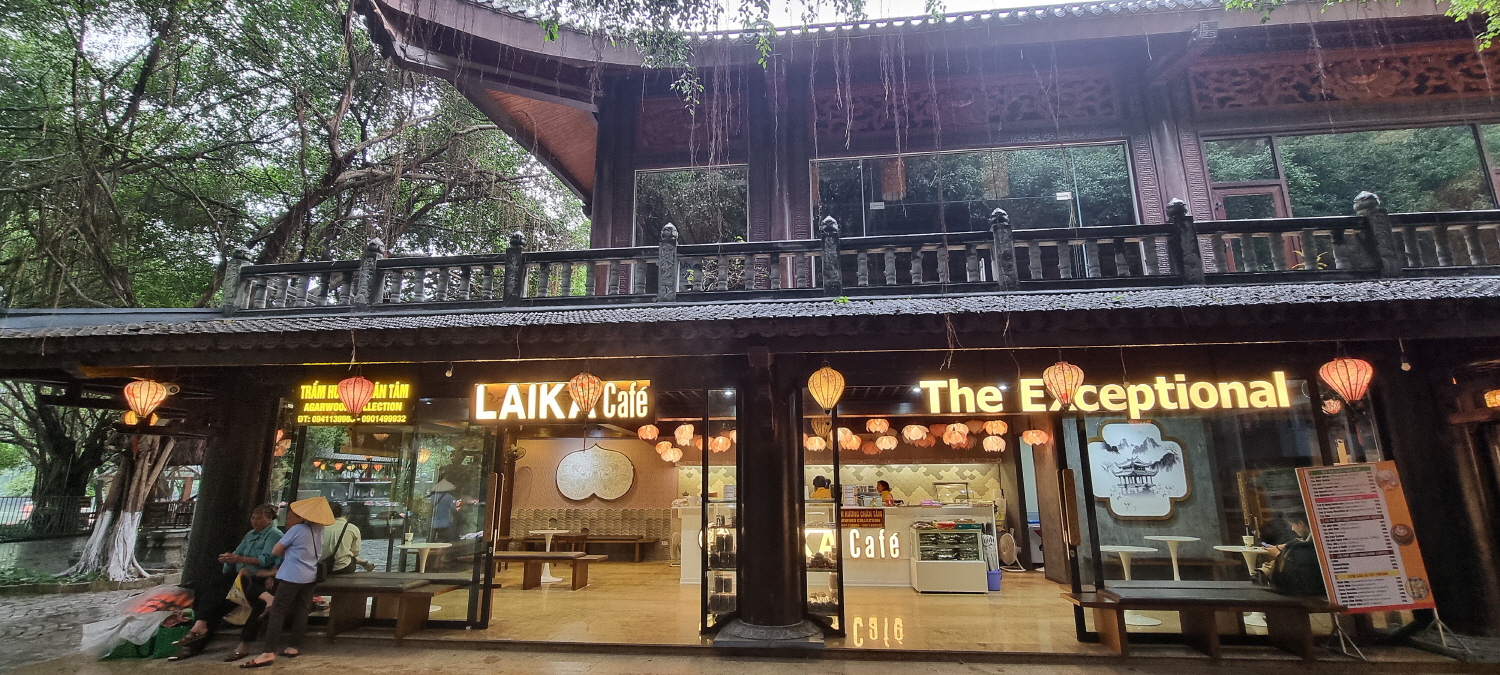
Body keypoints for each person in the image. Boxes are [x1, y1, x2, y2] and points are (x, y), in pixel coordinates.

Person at [169, 504, 282, 662]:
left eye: (259, 518)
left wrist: (241, 560)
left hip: (259, 578)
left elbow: (267, 560)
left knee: (256, 604)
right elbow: (238, 552)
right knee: (214, 594)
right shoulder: (250, 534)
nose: (254, 521)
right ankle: (198, 632)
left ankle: (244, 645)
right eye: (253, 518)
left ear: (269, 519)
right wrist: (228, 558)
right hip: (240, 577)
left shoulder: (275, 535)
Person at [242, 496, 333, 668]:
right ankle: (294, 646)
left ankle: (268, 651)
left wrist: (291, 552)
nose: (288, 520)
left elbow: (276, 550)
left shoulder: (298, 530)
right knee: (302, 610)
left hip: (292, 575)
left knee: (278, 611)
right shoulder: (320, 529)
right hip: (310, 575)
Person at [1261, 513, 1324, 596]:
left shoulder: (1310, 546)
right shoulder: (1311, 539)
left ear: (1301, 524)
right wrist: (1283, 547)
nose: (1292, 529)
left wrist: (1278, 555)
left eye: (1293, 525)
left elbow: (1296, 572)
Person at [322, 502, 374, 575]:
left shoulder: (318, 528)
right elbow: (355, 553)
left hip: (320, 567)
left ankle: (364, 563)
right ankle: (364, 563)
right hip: (343, 568)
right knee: (347, 556)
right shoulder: (352, 528)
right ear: (343, 514)